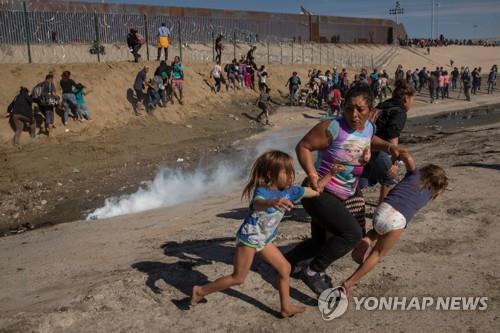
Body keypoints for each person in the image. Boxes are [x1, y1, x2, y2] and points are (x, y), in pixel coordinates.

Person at [284, 84, 401, 295]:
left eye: (360, 110)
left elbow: (369, 140)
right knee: (352, 234)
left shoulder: (369, 127)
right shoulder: (333, 128)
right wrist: (311, 174)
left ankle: (287, 264)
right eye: (348, 108)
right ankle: (313, 271)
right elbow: (303, 146)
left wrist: (389, 147)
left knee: (321, 241)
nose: (353, 115)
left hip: (345, 193)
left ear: (370, 111)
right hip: (320, 192)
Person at [191, 150, 336, 317]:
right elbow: (257, 204)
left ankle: (285, 307)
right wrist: (271, 202)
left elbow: (316, 191)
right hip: (249, 239)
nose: (291, 176)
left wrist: (330, 174)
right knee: (238, 278)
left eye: (292, 171)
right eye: (287, 172)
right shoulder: (263, 192)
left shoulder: (291, 191)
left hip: (265, 239)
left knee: (285, 268)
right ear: (270, 174)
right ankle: (200, 291)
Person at [342, 151, 448, 296]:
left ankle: (366, 240)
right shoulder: (430, 194)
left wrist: (395, 161)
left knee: (378, 229)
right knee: (378, 253)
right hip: (397, 219)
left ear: (426, 170)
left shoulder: (414, 173)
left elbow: (407, 156)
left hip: (382, 209)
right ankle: (349, 283)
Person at [360, 80, 416, 203]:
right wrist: (395, 163)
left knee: (363, 178)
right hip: (376, 146)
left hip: (362, 142)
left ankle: (349, 198)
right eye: (413, 100)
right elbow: (392, 135)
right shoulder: (400, 112)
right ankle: (381, 205)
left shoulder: (383, 105)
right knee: (389, 175)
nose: (412, 103)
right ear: (406, 98)